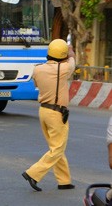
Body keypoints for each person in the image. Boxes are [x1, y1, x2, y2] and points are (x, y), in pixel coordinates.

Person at [22, 39, 76, 191]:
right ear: (62, 55)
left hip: (43, 111)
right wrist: (70, 52)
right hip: (57, 113)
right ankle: (33, 173)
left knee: (55, 147)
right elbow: (72, 61)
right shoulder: (63, 68)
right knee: (58, 148)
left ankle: (64, 181)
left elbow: (37, 85)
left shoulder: (38, 69)